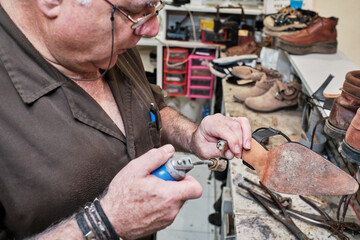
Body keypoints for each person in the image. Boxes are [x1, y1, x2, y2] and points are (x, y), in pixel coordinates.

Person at [0, 0, 252, 239]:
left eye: (153, 7)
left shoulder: (113, 41)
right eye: (135, 10)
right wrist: (105, 223)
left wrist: (192, 135)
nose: (152, 29)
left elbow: (149, 109)